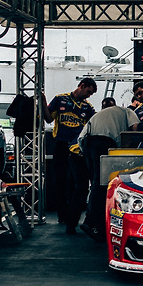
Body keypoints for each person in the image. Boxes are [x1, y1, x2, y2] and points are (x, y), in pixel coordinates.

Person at [78, 83, 143, 240]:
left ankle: (96, 223)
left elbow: (81, 137)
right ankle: (91, 222)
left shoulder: (102, 114)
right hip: (104, 142)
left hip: (87, 143)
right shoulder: (129, 112)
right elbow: (135, 132)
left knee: (96, 183)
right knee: (103, 184)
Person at [47, 77, 98, 234]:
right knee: (59, 180)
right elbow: (48, 119)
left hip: (77, 148)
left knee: (76, 183)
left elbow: (94, 125)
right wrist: (42, 102)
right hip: (61, 145)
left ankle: (71, 216)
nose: (88, 96)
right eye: (88, 92)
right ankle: (62, 214)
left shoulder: (88, 107)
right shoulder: (60, 99)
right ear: (81, 86)